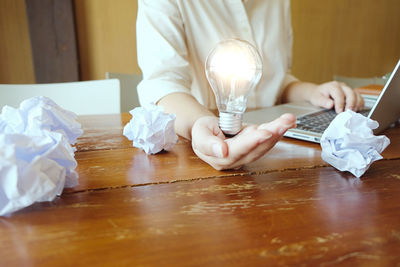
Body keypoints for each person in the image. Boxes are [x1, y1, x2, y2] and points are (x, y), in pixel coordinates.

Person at [136, 0, 364, 170]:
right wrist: (200, 124)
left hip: (277, 158)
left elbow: (273, 80)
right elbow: (163, 83)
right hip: (193, 161)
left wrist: (312, 92)